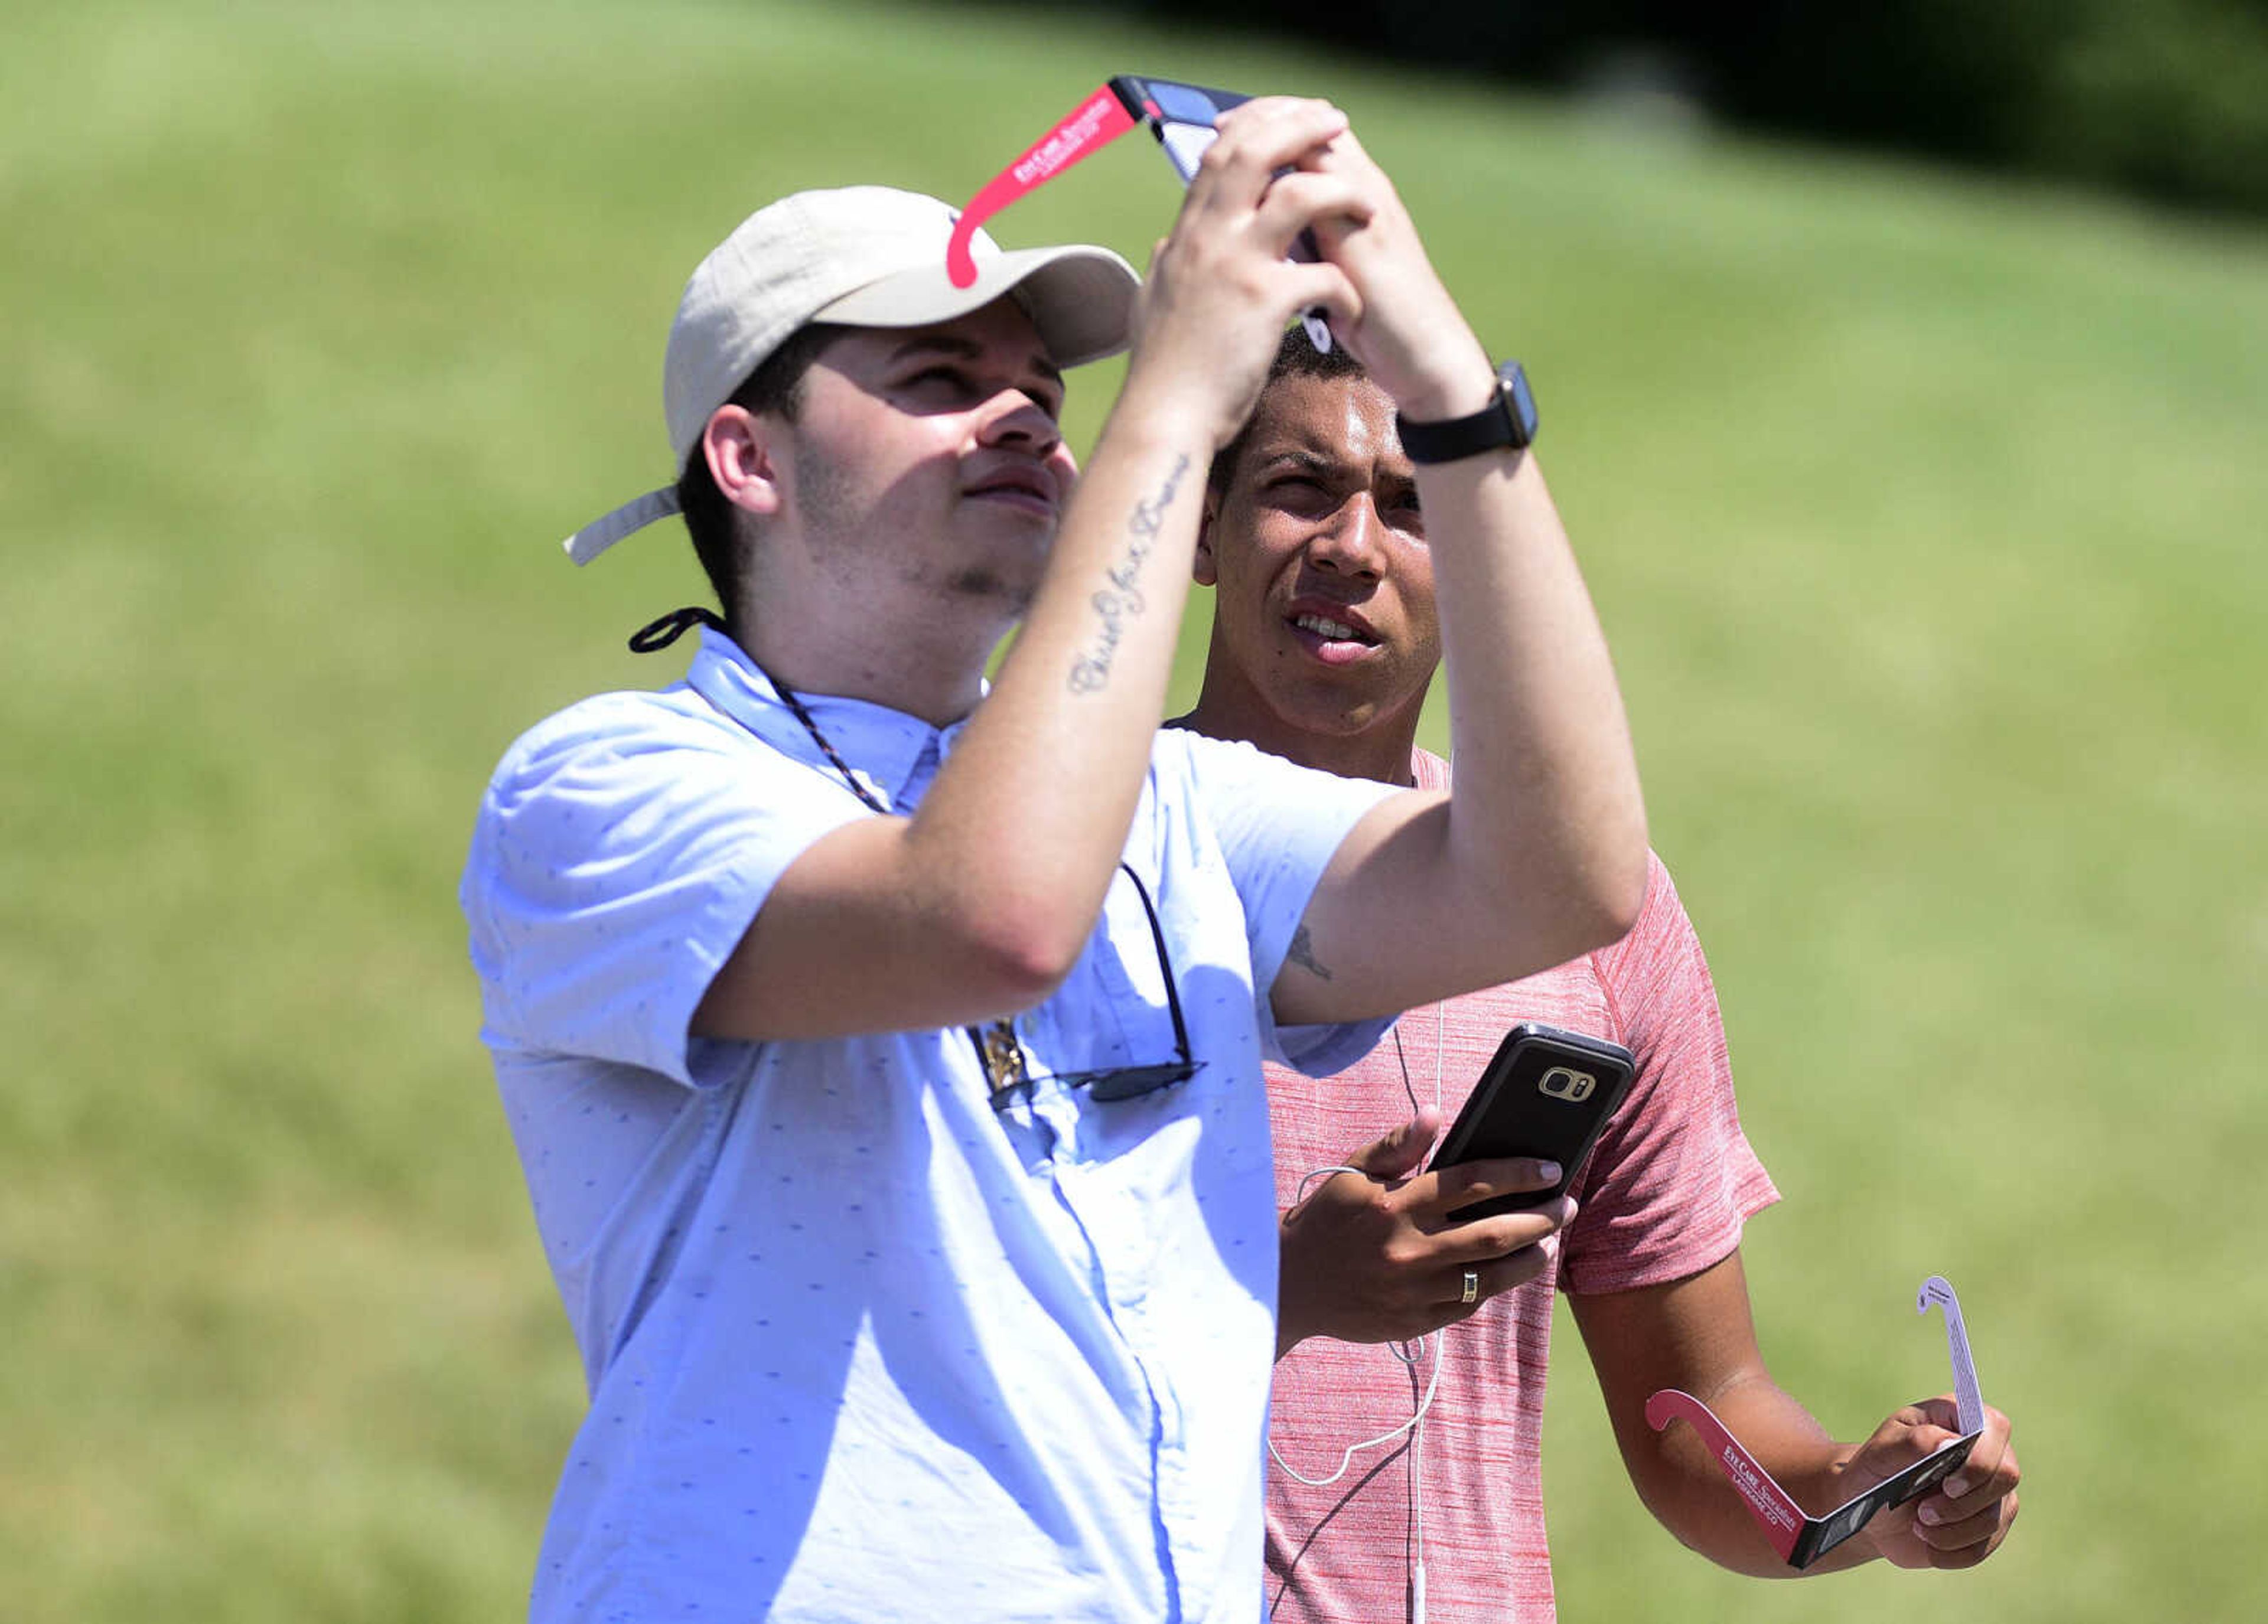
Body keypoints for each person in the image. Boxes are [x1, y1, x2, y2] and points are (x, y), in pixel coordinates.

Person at [460, 100, 1651, 1623]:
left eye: (1044, 386)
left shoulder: (1176, 802)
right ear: (748, 458)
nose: (1026, 415)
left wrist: (1456, 397)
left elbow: (1558, 883)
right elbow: (992, 917)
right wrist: (1170, 411)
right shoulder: (603, 791)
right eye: (943, 381)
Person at [1173, 332, 2022, 1623]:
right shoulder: (1060, 857)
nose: (1353, 543)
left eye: (1414, 505)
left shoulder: (1586, 914)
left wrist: (1857, 1494)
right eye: (1301, 486)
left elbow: (1703, 1408)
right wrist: (1287, 1292)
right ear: (1197, 524)